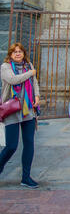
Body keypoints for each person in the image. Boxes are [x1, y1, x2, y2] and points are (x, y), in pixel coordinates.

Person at [0, 43, 40, 188]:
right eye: (14, 52)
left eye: (20, 51)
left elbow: (34, 83)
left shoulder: (28, 65)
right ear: (10, 54)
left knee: (29, 143)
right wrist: (31, 73)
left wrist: (37, 96)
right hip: (12, 109)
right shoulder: (5, 67)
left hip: (27, 109)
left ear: (24, 53)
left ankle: (26, 177)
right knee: (11, 146)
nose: (17, 54)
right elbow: (12, 80)